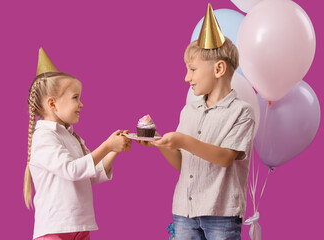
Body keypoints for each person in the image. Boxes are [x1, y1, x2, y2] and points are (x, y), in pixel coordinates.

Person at [138, 4, 255, 240]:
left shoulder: (242, 112)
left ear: (219, 68)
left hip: (221, 213)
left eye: (192, 69)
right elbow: (184, 163)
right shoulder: (189, 111)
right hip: (184, 211)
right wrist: (160, 143)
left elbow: (224, 158)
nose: (186, 77)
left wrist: (183, 140)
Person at [23, 48, 132, 240]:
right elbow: (71, 170)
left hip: (80, 227)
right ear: (52, 104)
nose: (81, 104)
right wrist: (107, 146)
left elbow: (93, 174)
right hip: (54, 229)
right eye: (75, 98)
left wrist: (115, 150)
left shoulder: (73, 137)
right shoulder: (44, 137)